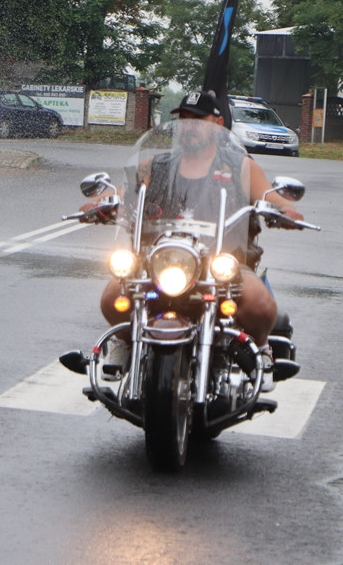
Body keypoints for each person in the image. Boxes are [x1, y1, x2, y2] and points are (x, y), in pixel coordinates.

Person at [96, 90, 304, 390]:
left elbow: (270, 196)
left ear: (218, 122)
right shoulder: (155, 165)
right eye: (184, 119)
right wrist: (102, 203)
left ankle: (261, 349)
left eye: (198, 119)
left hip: (223, 261)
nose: (190, 126)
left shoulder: (239, 166)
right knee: (112, 295)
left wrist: (286, 211)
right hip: (160, 258)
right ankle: (125, 340)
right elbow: (124, 193)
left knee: (259, 304)